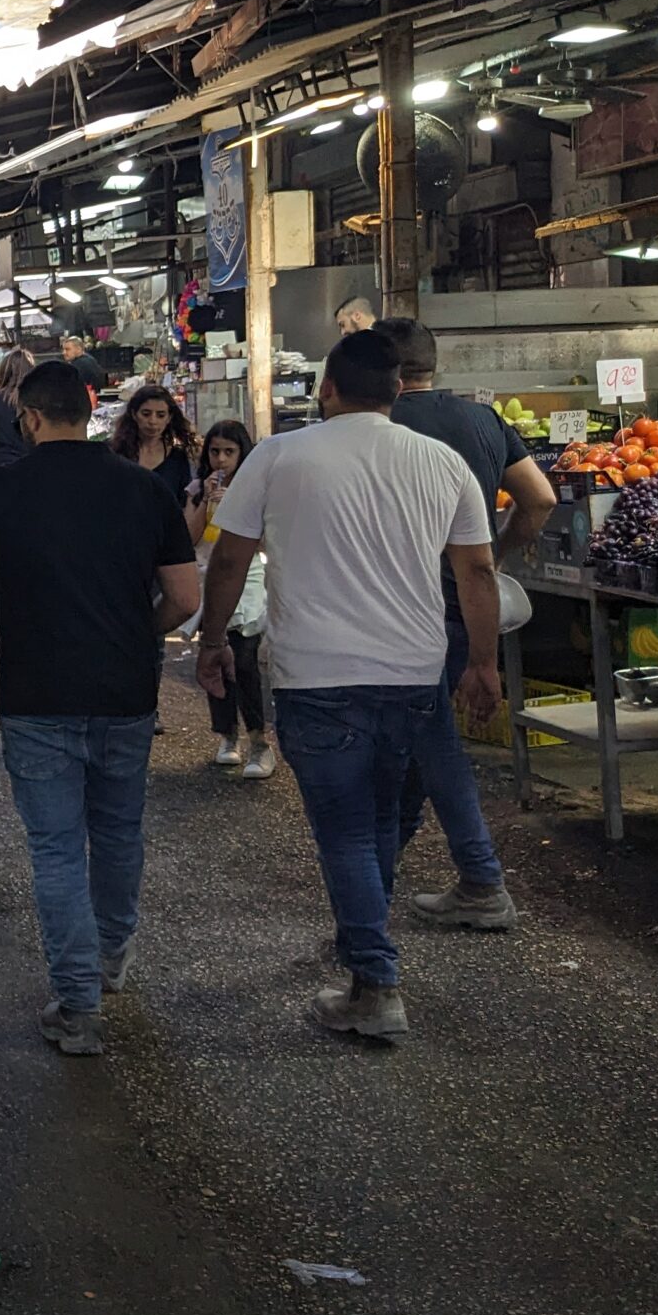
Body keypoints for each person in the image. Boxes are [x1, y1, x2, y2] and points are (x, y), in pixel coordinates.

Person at [197, 330, 501, 1040]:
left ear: (326, 389)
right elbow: (478, 573)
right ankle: (364, 945)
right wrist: (482, 663)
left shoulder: (278, 455)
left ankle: (374, 980)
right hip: (413, 673)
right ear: (398, 392)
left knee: (348, 831)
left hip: (316, 677)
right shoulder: (443, 462)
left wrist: (212, 641)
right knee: (383, 819)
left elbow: (229, 561)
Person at [0, 360, 198, 1055]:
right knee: (120, 830)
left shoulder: (7, 485)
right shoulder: (143, 488)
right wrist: (136, 633)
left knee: (58, 848)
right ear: (92, 410)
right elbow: (185, 600)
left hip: (37, 694)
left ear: (30, 419)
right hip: (127, 690)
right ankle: (109, 959)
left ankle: (77, 1005)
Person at [378, 315, 552, 929]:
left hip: (397, 611)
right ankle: (380, 871)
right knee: (421, 740)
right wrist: (494, 554)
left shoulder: (380, 425)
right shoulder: (482, 420)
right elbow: (540, 500)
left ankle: (481, 880)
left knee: (429, 741)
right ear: (433, 366)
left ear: (384, 373)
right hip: (461, 605)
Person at [186, 420, 273, 777]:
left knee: (245, 660)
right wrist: (205, 499)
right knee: (214, 657)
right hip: (209, 580)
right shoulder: (197, 489)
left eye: (229, 452)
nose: (221, 460)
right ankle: (227, 734)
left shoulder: (255, 491)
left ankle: (259, 740)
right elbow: (187, 539)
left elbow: (266, 542)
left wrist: (234, 506)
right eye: (215, 452)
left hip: (248, 581)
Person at [110, 383, 197, 498]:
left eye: (160, 415)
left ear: (169, 418)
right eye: (146, 414)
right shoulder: (115, 452)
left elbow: (182, 504)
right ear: (134, 414)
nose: (152, 421)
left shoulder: (178, 458)